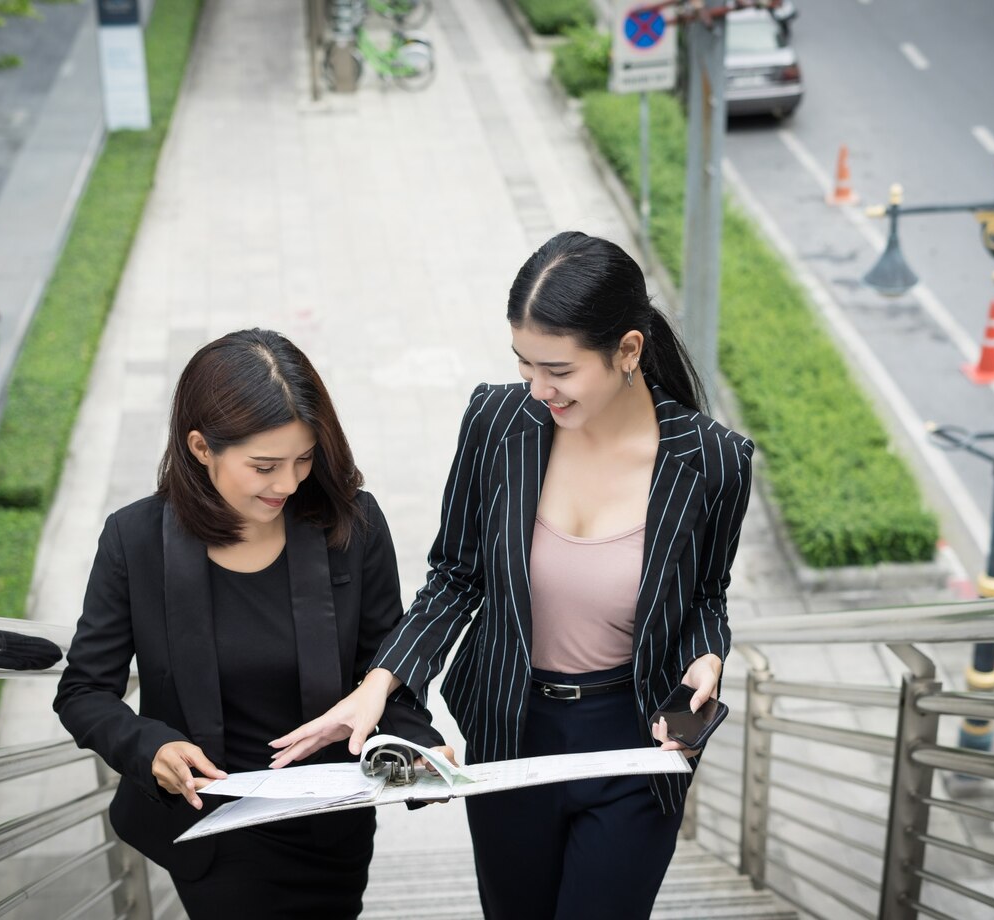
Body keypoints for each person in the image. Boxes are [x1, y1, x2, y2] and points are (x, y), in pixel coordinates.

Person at [272, 232, 755, 919]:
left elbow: (707, 594)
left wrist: (707, 653)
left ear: (628, 351)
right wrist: (380, 684)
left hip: (635, 741)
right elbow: (455, 577)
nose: (537, 388)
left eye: (557, 369)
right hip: (510, 730)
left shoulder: (712, 460)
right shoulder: (499, 422)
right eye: (523, 363)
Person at [54, 328, 448, 919]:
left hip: (326, 826)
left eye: (305, 458)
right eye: (264, 466)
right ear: (200, 447)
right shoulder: (133, 541)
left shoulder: (352, 524)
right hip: (210, 831)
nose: (288, 484)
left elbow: (383, 669)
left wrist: (416, 747)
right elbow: (84, 692)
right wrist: (150, 746)